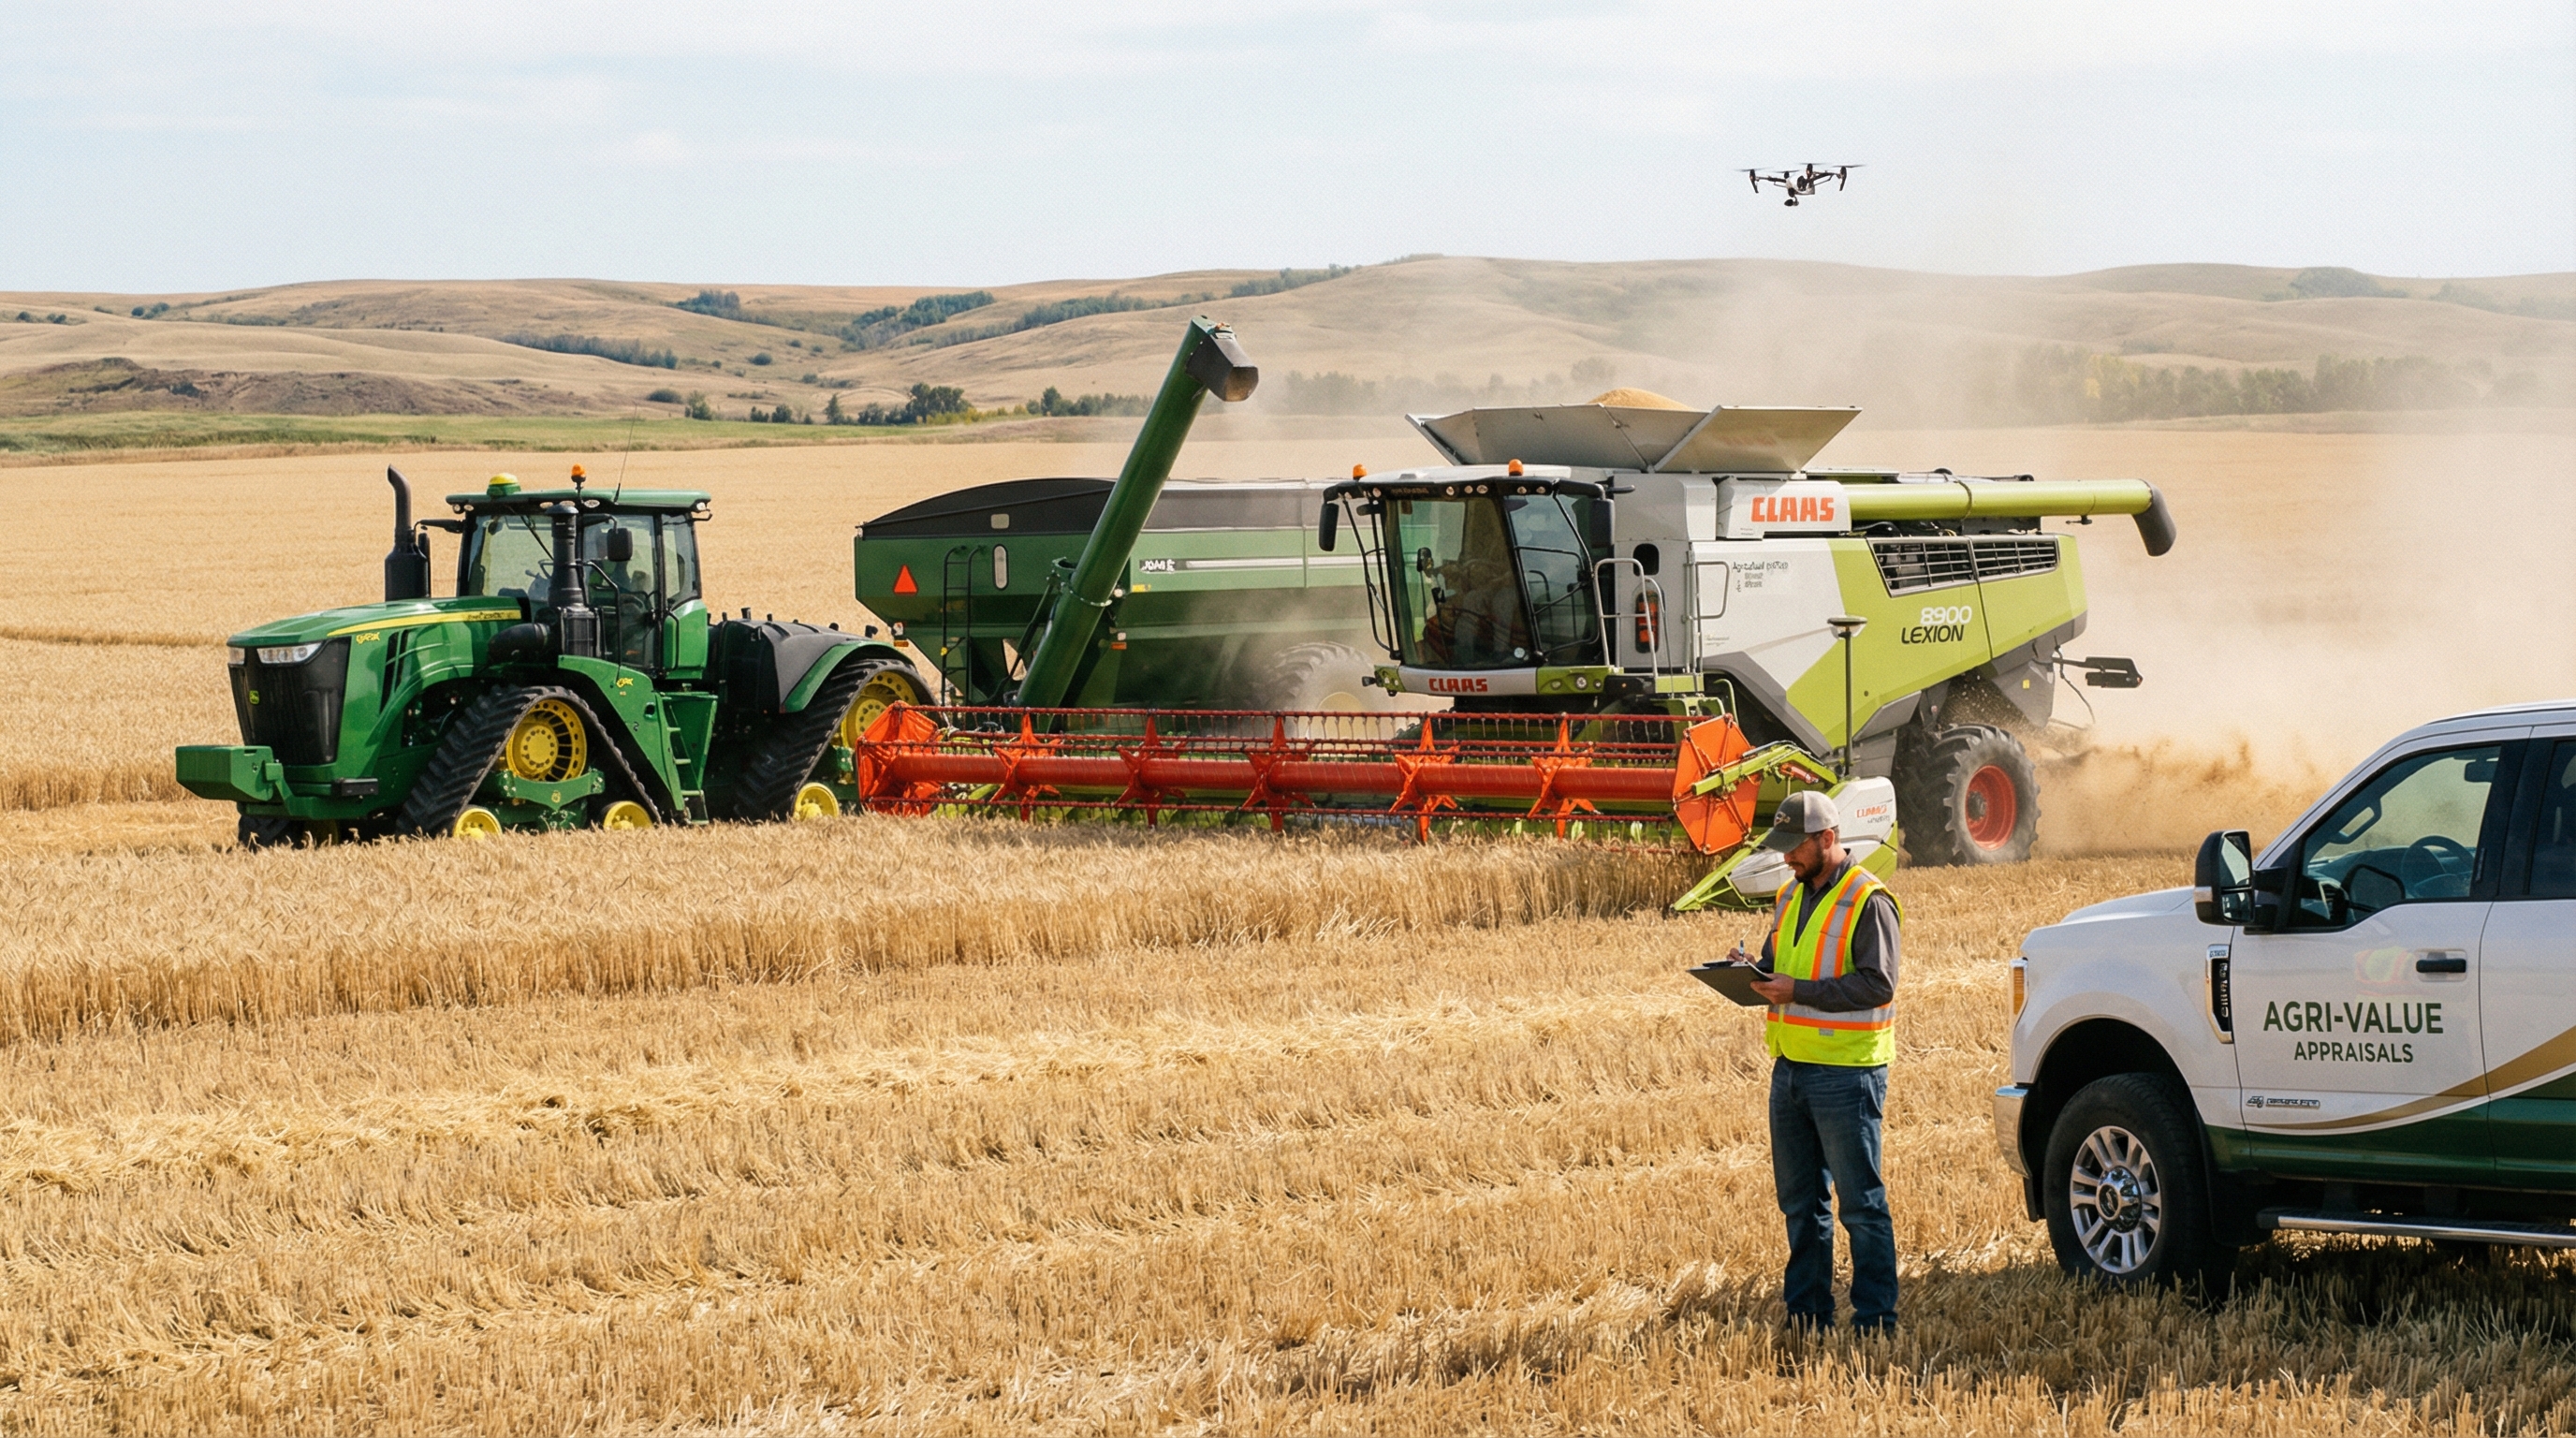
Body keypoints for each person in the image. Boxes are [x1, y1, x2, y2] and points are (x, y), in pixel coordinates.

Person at [1735, 789, 1902, 1334]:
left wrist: (1798, 991)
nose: (1786, 857)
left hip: (1847, 1074)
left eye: (1795, 847)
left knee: (1861, 1206)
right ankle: (1807, 1314)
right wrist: (1748, 969)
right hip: (1790, 1069)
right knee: (1800, 1204)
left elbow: (1878, 984)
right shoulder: (1789, 896)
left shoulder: (1868, 899)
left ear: (1827, 838)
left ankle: (1876, 1320)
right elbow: (1776, 962)